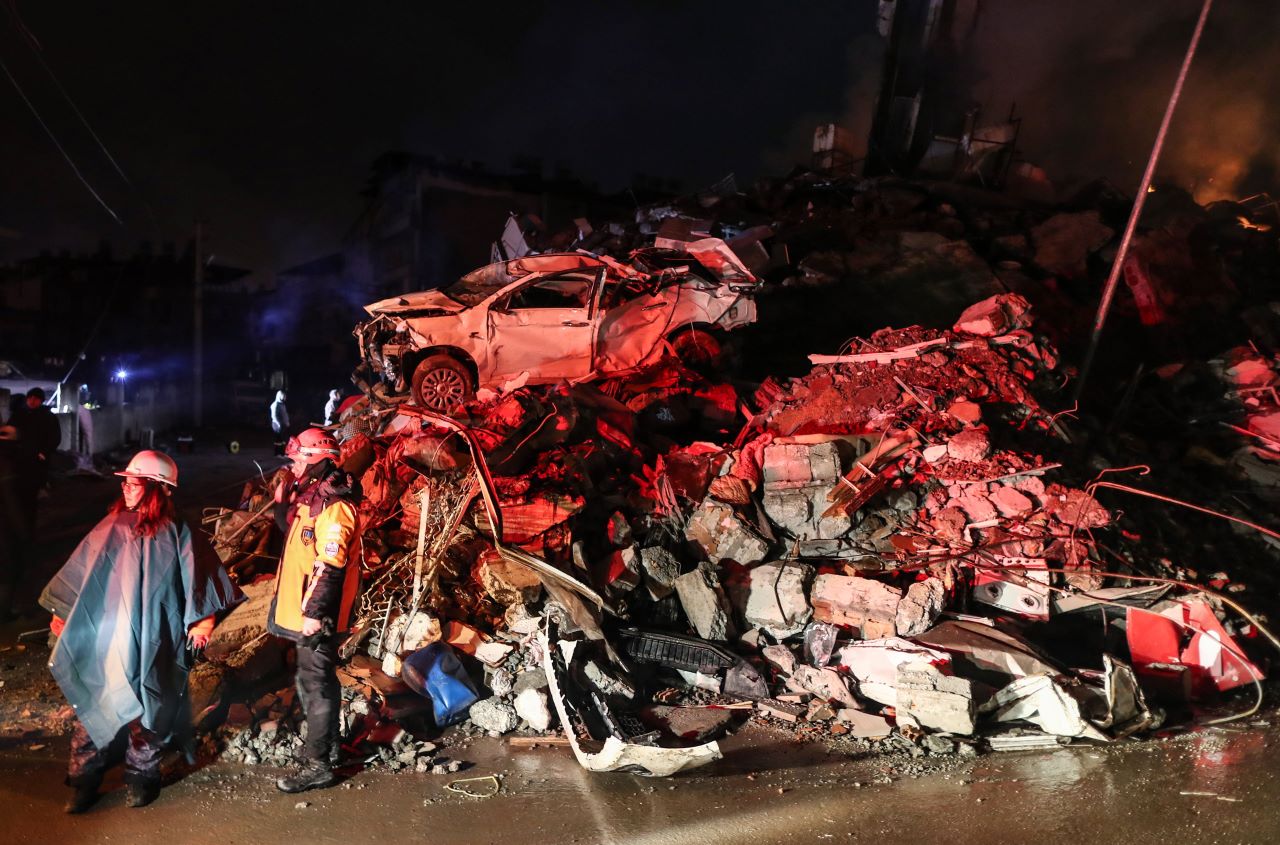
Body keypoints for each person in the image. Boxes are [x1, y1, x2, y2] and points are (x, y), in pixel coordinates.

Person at [40, 450, 242, 813]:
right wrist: (65, 612)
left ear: (155, 487)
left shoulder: (178, 532)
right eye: (126, 482)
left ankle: (141, 778)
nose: (125, 488)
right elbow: (84, 574)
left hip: (156, 636)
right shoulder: (112, 527)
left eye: (134, 483)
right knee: (96, 703)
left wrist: (203, 622)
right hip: (110, 638)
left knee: (151, 708)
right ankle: (84, 781)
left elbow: (200, 580)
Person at [268, 427, 362, 794]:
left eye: (296, 459)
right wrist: (281, 505)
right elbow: (298, 538)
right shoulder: (314, 497)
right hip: (307, 611)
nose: (292, 465)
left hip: (319, 615)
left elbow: (330, 564)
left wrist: (314, 613)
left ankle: (318, 764)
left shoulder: (336, 506)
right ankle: (330, 747)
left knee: (316, 683)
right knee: (315, 680)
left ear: (315, 460)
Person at [0, 425, 33, 620]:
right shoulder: (8, 461)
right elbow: (11, 499)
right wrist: (23, 532)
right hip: (4, 526)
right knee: (8, 569)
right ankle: (3, 612)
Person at [11, 386, 61, 493]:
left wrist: (44, 452)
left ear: (41, 401)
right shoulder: (19, 414)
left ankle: (40, 490)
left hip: (39, 455)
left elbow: (55, 436)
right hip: (22, 454)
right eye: (30, 398)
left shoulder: (48, 416)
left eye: (36, 399)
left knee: (37, 479)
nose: (32, 401)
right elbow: (10, 430)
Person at [270, 389, 289, 456]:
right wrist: (279, 424)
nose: (284, 397)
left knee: (283, 440)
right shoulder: (275, 404)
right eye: (283, 396)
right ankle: (277, 453)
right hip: (277, 424)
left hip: (282, 424)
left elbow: (285, 414)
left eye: (284, 396)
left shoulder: (282, 404)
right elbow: (274, 416)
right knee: (278, 440)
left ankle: (282, 453)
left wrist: (287, 422)